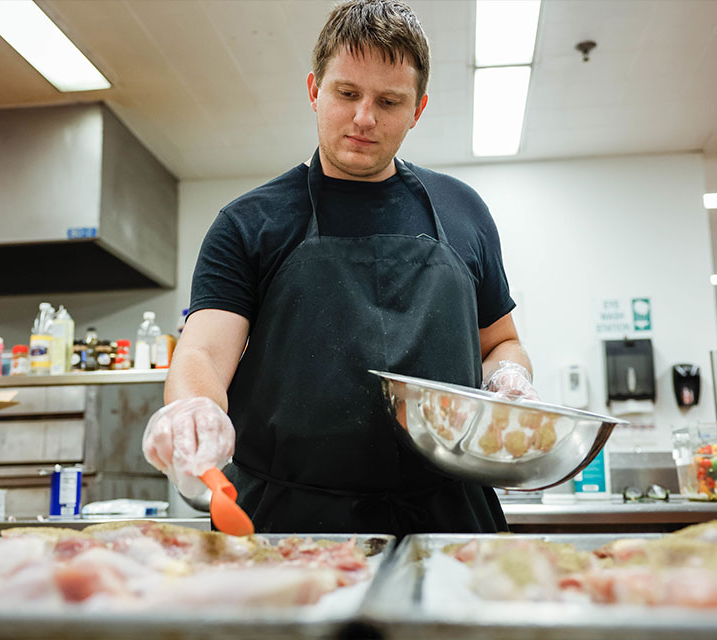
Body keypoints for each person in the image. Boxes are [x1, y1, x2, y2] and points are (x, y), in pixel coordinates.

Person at [143, 0, 538, 537]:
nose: (364, 118)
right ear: (314, 90)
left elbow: (500, 343)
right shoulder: (249, 222)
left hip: (450, 518)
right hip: (287, 522)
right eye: (346, 93)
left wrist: (510, 379)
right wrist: (195, 410)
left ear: (418, 109)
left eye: (389, 101)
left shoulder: (463, 210)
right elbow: (203, 353)